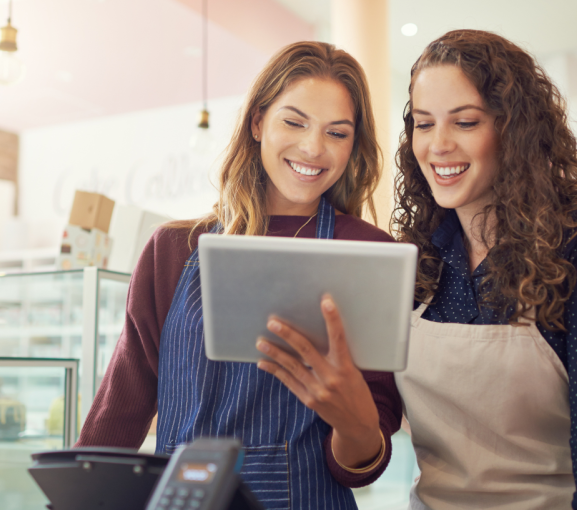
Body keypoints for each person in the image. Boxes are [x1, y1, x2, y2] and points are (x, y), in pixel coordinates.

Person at [259, 30, 577, 510]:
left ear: (514, 129)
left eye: (466, 122)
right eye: (424, 124)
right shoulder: (415, 259)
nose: (438, 145)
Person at [77, 41, 403, 509]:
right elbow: (121, 409)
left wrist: (353, 422)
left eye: (337, 132)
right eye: (294, 122)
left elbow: (364, 462)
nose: (313, 147)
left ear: (353, 145)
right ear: (257, 123)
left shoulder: (370, 253)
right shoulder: (172, 249)